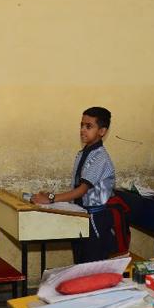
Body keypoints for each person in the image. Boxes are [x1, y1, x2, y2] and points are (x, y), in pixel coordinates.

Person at [32, 107, 116, 263]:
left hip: (95, 220)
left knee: (92, 267)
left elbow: (81, 190)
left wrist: (51, 198)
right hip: (80, 216)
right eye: (82, 125)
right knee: (79, 265)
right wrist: (51, 196)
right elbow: (76, 189)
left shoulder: (100, 158)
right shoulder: (83, 153)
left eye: (89, 126)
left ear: (102, 131)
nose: (83, 130)